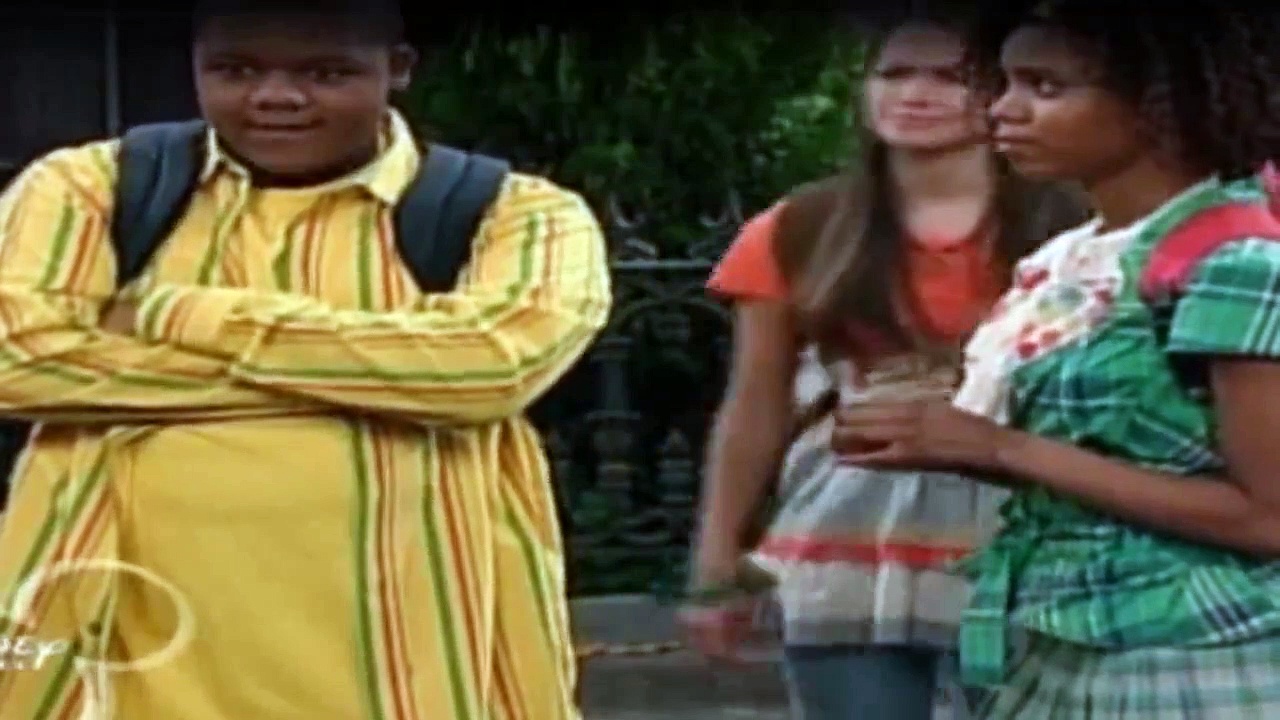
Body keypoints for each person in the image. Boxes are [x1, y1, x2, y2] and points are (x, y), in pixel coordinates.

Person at [0, 0, 610, 717]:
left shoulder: (516, 212)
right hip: (124, 648)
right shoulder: (92, 187)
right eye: (236, 70)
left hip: (403, 664)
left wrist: (176, 313)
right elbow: (16, 358)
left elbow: (489, 369)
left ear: (397, 69)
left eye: (325, 73)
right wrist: (378, 378)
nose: (276, 97)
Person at [831, 0, 1280, 716]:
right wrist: (945, 437)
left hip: (1190, 650)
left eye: (1046, 87)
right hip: (1058, 637)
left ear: (1161, 102)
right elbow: (1112, 458)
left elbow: (1267, 518)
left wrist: (1002, 448)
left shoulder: (1235, 260)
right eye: (1004, 83)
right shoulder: (1076, 257)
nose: (1002, 111)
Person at [683, 14, 1088, 720]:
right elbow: (755, 404)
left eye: (949, 77)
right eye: (895, 73)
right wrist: (717, 563)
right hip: (844, 548)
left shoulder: (1078, 225)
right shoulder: (800, 228)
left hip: (1025, 545)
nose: (916, 94)